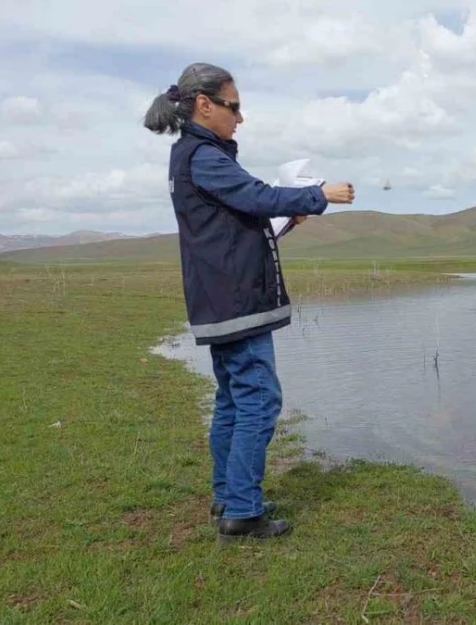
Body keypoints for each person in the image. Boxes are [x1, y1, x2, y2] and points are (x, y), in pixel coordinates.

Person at [143, 62, 355, 542]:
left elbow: (240, 220)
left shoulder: (198, 156)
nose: (240, 118)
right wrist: (317, 195)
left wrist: (288, 218)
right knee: (258, 399)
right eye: (233, 106)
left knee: (234, 401)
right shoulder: (205, 156)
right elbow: (257, 195)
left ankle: (230, 496)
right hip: (235, 301)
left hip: (224, 298)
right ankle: (241, 511)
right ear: (204, 105)